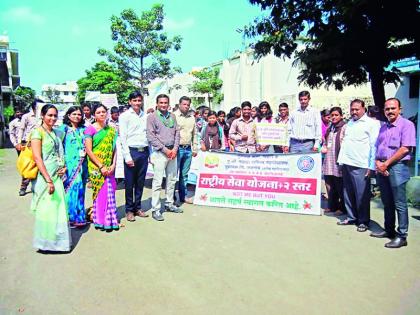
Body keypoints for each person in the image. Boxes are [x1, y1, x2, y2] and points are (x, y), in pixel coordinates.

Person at [371, 98, 416, 248]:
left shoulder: (407, 125)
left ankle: (402, 236)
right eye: (387, 109)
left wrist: (386, 164)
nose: (390, 111)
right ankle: (389, 230)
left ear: (400, 109)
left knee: (400, 203)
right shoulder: (383, 127)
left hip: (397, 166)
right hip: (382, 166)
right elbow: (378, 147)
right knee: (387, 202)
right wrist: (378, 163)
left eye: (393, 108)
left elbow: (405, 148)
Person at [31, 104, 71, 252]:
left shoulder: (56, 133)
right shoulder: (37, 133)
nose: (53, 118)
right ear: (42, 115)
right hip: (45, 177)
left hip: (57, 175)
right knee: (46, 209)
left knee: (57, 209)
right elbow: (37, 158)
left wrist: (63, 167)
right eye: (49, 115)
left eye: (55, 115)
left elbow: (59, 153)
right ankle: (45, 243)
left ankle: (58, 242)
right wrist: (48, 180)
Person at [336, 99, 380, 232]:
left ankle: (363, 221)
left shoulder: (371, 123)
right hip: (347, 162)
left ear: (363, 109)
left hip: (361, 164)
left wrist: (371, 166)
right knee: (348, 193)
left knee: (362, 195)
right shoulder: (350, 123)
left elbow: (374, 146)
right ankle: (351, 217)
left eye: (357, 109)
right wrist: (341, 161)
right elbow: (346, 143)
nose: (354, 112)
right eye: (352, 109)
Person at [147, 94, 181, 221]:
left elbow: (177, 133)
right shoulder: (152, 117)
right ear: (157, 103)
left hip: (173, 152)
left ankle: (169, 204)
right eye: (161, 102)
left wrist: (175, 149)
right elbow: (151, 137)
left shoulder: (172, 116)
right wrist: (166, 150)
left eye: (165, 102)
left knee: (172, 180)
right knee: (157, 182)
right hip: (160, 153)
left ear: (168, 103)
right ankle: (155, 209)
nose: (163, 105)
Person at [84, 104, 119, 231]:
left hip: (110, 166)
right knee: (100, 192)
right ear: (94, 115)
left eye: (104, 112)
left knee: (110, 191)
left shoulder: (111, 130)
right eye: (98, 112)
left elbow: (114, 149)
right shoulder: (90, 129)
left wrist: (113, 164)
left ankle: (110, 220)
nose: (102, 114)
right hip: (96, 167)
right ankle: (100, 220)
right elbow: (89, 150)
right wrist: (101, 166)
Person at [119, 91, 150, 222]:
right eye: (134, 100)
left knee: (140, 182)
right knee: (130, 183)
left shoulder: (146, 116)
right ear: (130, 102)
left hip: (144, 152)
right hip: (131, 152)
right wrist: (127, 156)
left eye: (139, 100)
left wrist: (150, 155)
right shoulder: (125, 116)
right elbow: (123, 137)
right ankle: (129, 210)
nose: (137, 103)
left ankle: (138, 207)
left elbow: (149, 135)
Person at [59, 106, 88, 227]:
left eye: (79, 114)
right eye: (74, 114)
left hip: (83, 163)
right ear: (68, 115)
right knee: (72, 188)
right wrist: (61, 164)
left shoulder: (84, 129)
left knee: (81, 189)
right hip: (70, 164)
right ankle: (70, 217)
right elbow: (58, 147)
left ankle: (80, 217)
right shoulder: (63, 129)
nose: (77, 116)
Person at [321, 107, 346, 215]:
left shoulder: (344, 127)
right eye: (332, 115)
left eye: (336, 115)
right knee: (329, 184)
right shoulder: (330, 128)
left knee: (339, 185)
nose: (334, 117)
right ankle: (332, 206)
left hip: (338, 160)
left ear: (341, 116)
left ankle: (342, 207)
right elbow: (326, 142)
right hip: (329, 160)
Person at [173, 96, 198, 204]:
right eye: (184, 104)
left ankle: (183, 197)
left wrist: (195, 148)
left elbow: (195, 134)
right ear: (179, 104)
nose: (186, 106)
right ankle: (172, 198)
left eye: (188, 105)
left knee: (184, 174)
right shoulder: (173, 116)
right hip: (177, 149)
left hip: (188, 149)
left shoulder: (192, 118)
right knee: (173, 174)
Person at [17, 100, 42, 196]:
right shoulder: (26, 116)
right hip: (28, 144)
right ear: (33, 107)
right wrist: (19, 142)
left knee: (40, 165)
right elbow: (21, 129)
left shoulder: (44, 116)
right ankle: (23, 187)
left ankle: (38, 187)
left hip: (41, 142)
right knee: (28, 166)